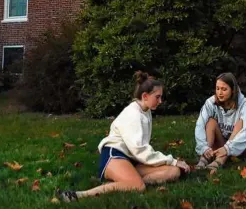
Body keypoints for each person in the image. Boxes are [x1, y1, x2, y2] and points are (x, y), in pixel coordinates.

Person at [58, 71, 190, 202]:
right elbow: (140, 150)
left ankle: (122, 183)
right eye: (157, 97)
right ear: (145, 96)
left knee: (174, 172)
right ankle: (80, 195)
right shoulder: (133, 114)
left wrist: (173, 164)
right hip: (114, 155)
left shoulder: (146, 110)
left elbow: (140, 150)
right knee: (138, 187)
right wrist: (172, 160)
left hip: (132, 158)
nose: (160, 101)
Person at [194, 72, 246, 170]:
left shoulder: (245, 104)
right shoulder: (211, 102)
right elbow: (200, 125)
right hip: (224, 144)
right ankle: (204, 157)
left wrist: (227, 149)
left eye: (224, 89)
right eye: (217, 88)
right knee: (210, 122)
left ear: (233, 91)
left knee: (240, 124)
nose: (219, 93)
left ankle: (220, 161)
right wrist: (203, 147)